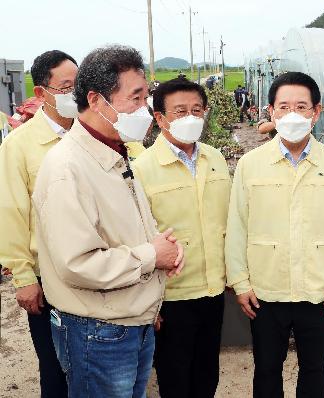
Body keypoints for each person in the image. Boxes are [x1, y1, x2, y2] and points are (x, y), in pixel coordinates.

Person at [32, 44, 185, 398]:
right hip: (98, 331)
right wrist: (151, 256)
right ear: (97, 101)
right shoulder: (67, 168)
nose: (145, 110)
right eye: (135, 98)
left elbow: (123, 229)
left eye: (146, 97)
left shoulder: (117, 151)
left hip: (131, 322)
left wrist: (164, 251)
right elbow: (78, 263)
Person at [225, 71, 324, 398]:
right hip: (266, 289)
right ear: (270, 112)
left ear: (316, 111)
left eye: (301, 107)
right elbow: (237, 226)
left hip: (319, 289)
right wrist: (240, 283)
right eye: (284, 107)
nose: (292, 115)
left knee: (315, 368)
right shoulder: (251, 164)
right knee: (267, 368)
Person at [132, 77, 230, 398]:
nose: (190, 117)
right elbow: (136, 238)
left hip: (213, 289)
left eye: (196, 110)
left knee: (207, 375)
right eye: (179, 111)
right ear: (160, 118)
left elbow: (226, 221)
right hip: (170, 297)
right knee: (175, 378)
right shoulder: (143, 169)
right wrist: (149, 304)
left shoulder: (214, 159)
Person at [0, 49, 77, 398]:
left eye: (80, 86)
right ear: (41, 94)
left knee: (93, 362)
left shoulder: (93, 135)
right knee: (55, 366)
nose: (75, 95)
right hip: (48, 276)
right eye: (66, 87)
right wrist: (23, 276)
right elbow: (11, 211)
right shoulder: (20, 145)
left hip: (97, 271)